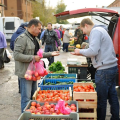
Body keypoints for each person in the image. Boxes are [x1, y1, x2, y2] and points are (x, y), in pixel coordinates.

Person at [71, 18, 119, 120]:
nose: (84, 33)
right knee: (112, 95)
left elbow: (93, 51)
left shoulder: (95, 31)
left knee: (101, 99)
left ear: (86, 25)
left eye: (83, 30)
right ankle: (115, 117)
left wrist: (79, 51)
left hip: (104, 70)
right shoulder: (101, 30)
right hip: (111, 67)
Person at [13, 19, 60, 113]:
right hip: (25, 73)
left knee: (33, 97)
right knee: (26, 99)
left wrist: (51, 53)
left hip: (34, 72)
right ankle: (25, 115)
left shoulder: (35, 39)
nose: (40, 31)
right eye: (38, 29)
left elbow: (39, 55)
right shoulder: (22, 39)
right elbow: (16, 55)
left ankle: (32, 115)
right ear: (32, 27)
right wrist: (33, 57)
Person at [10, 23, 28, 93]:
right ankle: (24, 89)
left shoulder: (14, 33)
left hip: (17, 55)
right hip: (24, 56)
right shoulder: (25, 34)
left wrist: (15, 52)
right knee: (25, 72)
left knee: (19, 72)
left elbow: (11, 45)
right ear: (25, 27)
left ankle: (20, 89)